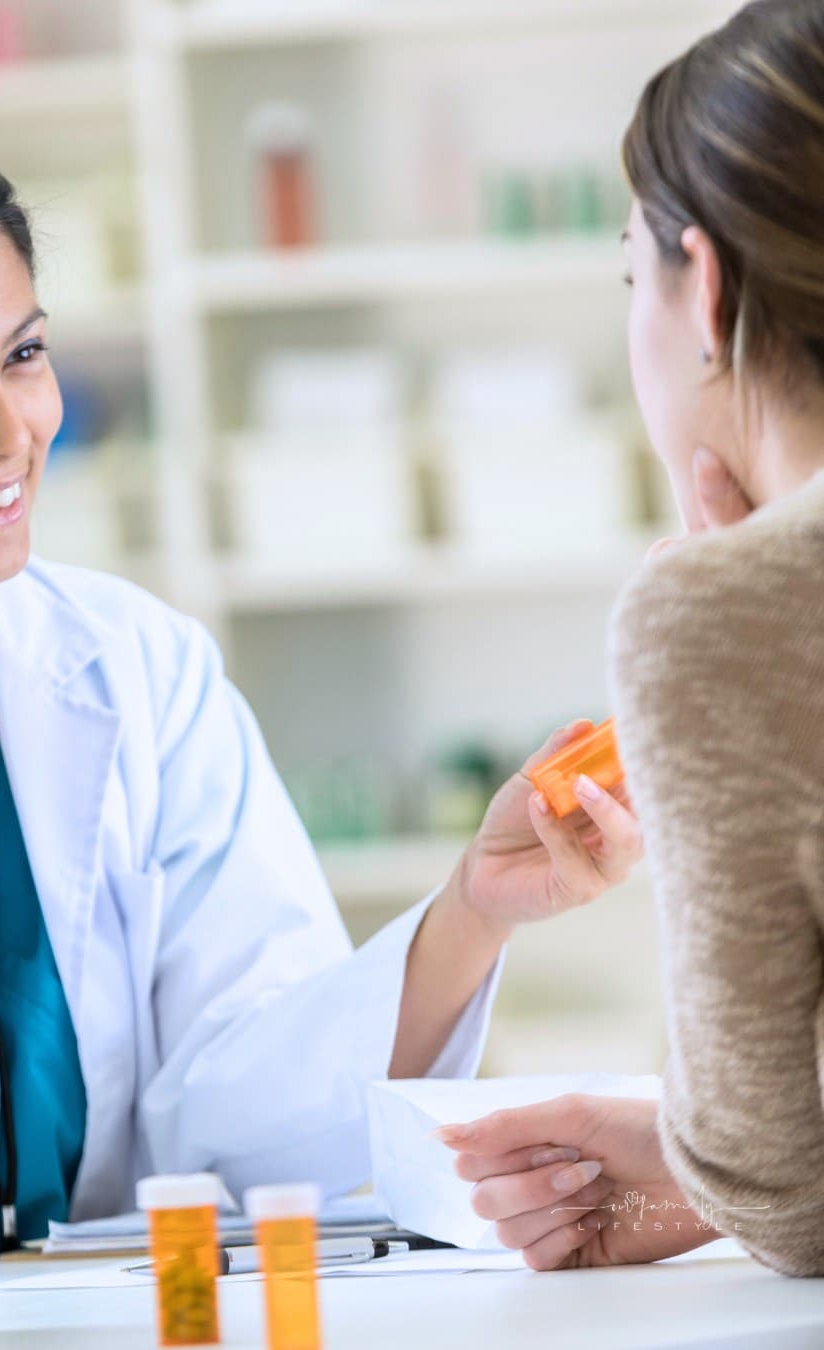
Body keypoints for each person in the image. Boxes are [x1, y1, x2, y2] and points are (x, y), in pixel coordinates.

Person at [0, 107, 645, 1253]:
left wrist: (471, 913)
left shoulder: (138, 672)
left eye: (22, 355)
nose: (12, 432)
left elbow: (241, 1118)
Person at [438, 0, 824, 1279]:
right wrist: (700, 1159)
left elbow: (783, 1186)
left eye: (630, 278)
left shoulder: (723, 607)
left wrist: (709, 1160)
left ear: (703, 288)